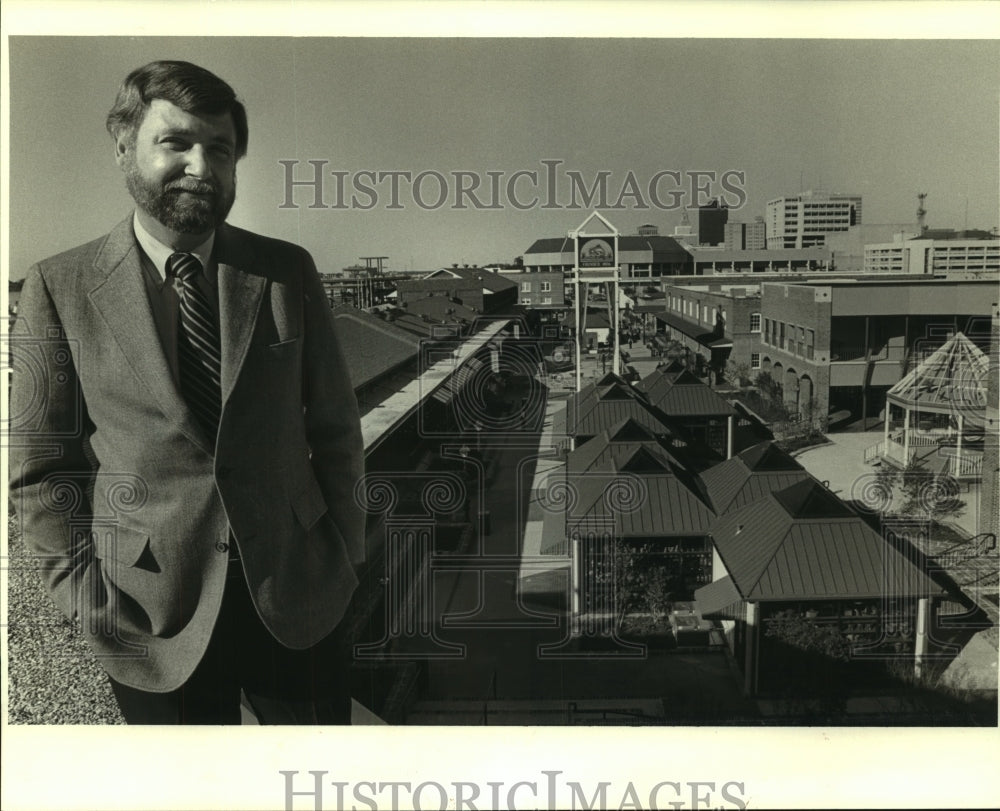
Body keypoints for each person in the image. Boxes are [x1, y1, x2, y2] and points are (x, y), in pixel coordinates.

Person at [8, 60, 366, 724]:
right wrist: (86, 598)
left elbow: (338, 432)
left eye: (221, 149)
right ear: (125, 147)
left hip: (295, 598)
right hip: (148, 614)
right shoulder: (57, 288)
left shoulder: (286, 271)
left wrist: (343, 556)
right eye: (177, 143)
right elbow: (40, 471)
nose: (202, 165)